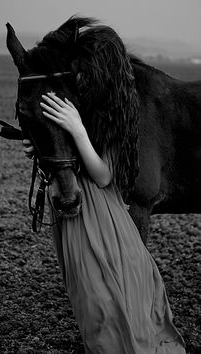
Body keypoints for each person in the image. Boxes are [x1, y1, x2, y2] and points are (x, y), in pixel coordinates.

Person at [23, 92, 186, 354]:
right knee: (87, 296)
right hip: (74, 214)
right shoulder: (69, 97)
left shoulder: (112, 110)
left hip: (102, 214)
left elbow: (103, 175)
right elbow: (56, 149)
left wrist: (77, 129)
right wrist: (41, 143)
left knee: (104, 295)